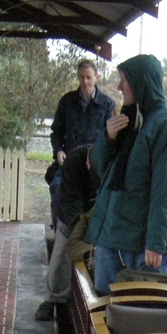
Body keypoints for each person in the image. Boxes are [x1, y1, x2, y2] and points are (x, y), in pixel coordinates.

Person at [88, 54, 167, 295]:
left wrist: (157, 243)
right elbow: (100, 171)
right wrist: (108, 138)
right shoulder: (133, 123)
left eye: (124, 80)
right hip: (112, 239)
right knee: (106, 322)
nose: (119, 87)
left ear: (141, 82)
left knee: (145, 320)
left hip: (142, 248)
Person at [34, 143, 103, 321]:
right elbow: (70, 198)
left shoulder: (112, 161)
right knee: (61, 254)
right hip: (69, 210)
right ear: (88, 159)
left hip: (98, 212)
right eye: (90, 165)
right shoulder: (74, 159)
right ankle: (52, 299)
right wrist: (78, 231)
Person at [48, 60, 115, 230]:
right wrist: (59, 151)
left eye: (89, 78)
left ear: (96, 78)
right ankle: (61, 232)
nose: (85, 82)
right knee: (58, 191)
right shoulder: (67, 102)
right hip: (68, 164)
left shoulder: (107, 105)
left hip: (94, 167)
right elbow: (56, 132)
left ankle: (89, 238)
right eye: (81, 77)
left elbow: (111, 139)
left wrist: (95, 157)